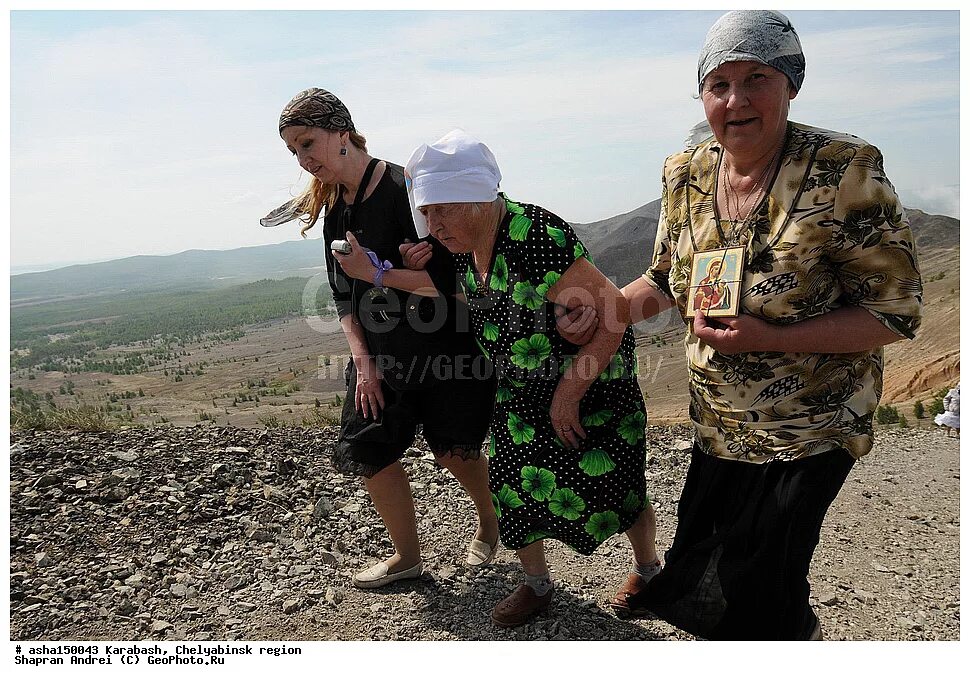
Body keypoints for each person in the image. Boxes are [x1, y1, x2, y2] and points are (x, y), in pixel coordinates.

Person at [560, 10, 923, 639]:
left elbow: (893, 313)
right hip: (719, 422)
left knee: (762, 581)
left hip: (813, 423)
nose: (736, 99)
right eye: (718, 83)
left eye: (757, 78)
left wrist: (775, 338)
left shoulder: (845, 169)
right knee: (706, 572)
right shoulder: (686, 172)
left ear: (792, 84)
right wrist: (608, 308)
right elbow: (666, 281)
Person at [401, 129, 660, 628]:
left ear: (480, 198)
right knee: (512, 486)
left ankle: (650, 572)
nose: (433, 225)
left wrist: (568, 394)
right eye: (427, 212)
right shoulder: (463, 245)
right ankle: (537, 584)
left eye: (444, 209)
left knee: (618, 483)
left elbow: (613, 312)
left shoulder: (532, 235)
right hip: (520, 394)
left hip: (592, 389)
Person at [263, 88, 499, 589]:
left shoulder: (405, 189)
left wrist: (377, 273)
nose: (304, 160)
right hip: (379, 354)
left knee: (454, 451)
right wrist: (363, 365)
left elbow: (456, 282)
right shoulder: (336, 209)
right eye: (294, 151)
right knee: (371, 451)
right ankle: (407, 557)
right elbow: (343, 296)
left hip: (442, 349)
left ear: (342, 134)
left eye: (308, 144)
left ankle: (489, 521)